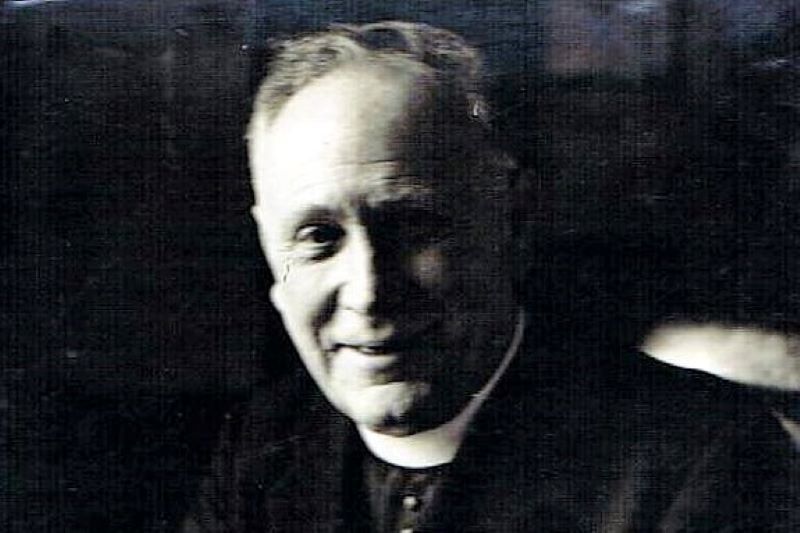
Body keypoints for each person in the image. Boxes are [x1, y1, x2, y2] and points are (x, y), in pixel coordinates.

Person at [184, 21, 798, 532]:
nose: (369, 292)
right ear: (272, 258)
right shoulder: (262, 448)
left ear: (514, 221)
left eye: (415, 226)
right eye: (319, 237)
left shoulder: (702, 458)